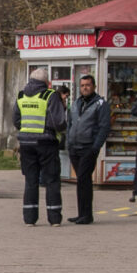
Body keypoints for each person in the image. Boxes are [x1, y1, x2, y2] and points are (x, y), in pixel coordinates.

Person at [12, 67, 67, 226]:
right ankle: (54, 218)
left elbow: (16, 120)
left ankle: (30, 218)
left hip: (26, 143)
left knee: (30, 180)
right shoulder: (50, 95)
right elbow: (58, 122)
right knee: (51, 180)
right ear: (46, 81)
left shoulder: (21, 95)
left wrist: (27, 129)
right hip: (46, 142)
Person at [65, 73, 110, 224]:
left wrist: (95, 147)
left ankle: (86, 215)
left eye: (88, 85)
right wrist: (68, 142)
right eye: (82, 85)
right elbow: (70, 124)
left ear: (94, 86)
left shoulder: (100, 104)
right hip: (74, 147)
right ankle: (82, 213)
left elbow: (104, 127)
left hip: (88, 147)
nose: (85, 88)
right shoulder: (76, 103)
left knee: (84, 179)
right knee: (81, 180)